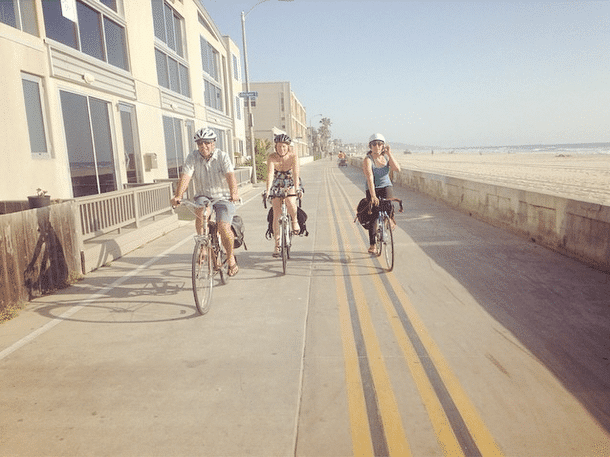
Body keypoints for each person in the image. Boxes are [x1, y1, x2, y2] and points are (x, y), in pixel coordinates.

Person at [171, 128, 240, 276]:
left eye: (207, 143)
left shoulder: (223, 156)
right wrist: (178, 195)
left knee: (223, 227)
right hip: (203, 196)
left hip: (223, 197)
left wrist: (234, 193)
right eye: (200, 143)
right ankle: (203, 245)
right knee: (202, 212)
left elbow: (230, 176)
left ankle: (231, 258)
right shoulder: (192, 157)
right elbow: (186, 177)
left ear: (213, 143)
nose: (204, 146)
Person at [362, 133, 401, 254]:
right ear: (370, 146)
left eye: (380, 144)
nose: (377, 146)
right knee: (373, 214)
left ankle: (387, 222)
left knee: (388, 207)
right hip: (372, 187)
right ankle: (373, 245)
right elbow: (369, 178)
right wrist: (373, 196)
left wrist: (389, 153)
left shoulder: (386, 157)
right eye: (374, 144)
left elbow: (397, 169)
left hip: (386, 186)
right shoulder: (368, 160)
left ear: (383, 146)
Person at [265, 133, 301, 257]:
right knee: (276, 211)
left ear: (288, 147)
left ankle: (295, 221)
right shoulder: (272, 157)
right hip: (277, 181)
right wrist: (267, 190)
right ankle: (277, 245)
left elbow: (296, 173)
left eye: (284, 146)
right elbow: (270, 174)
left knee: (290, 201)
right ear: (276, 147)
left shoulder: (293, 157)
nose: (281, 149)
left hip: (290, 180)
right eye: (279, 146)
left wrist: (297, 189)